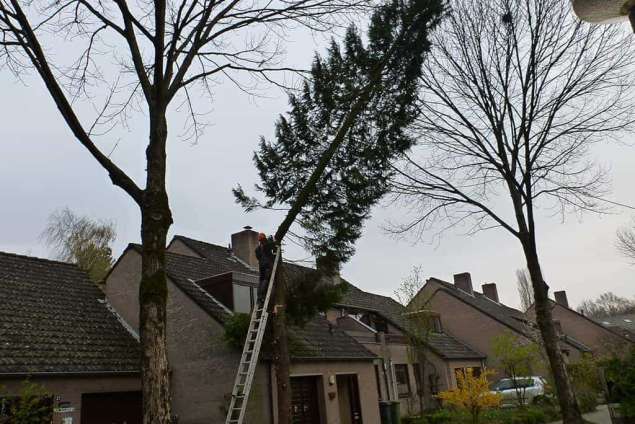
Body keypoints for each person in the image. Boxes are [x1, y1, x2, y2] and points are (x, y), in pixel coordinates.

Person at [255, 233, 275, 304]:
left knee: (261, 281)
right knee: (265, 280)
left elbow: (258, 257)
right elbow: (273, 245)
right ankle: (261, 296)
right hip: (267, 265)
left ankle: (259, 297)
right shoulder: (266, 245)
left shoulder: (257, 249)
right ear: (264, 239)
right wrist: (271, 240)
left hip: (261, 266)